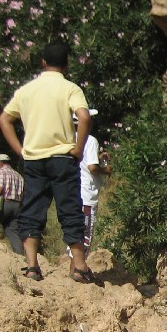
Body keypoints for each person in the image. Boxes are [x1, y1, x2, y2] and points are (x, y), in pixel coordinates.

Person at [0, 42, 94, 283]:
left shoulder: (26, 90)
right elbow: (83, 117)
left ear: (43, 62)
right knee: (70, 209)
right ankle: (79, 267)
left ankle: (32, 266)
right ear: (67, 64)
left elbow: (4, 119)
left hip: (34, 159)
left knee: (32, 209)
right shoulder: (70, 88)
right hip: (63, 158)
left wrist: (20, 151)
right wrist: (78, 148)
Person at [69, 108, 110, 264]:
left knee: (74, 233)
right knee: (85, 236)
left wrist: (97, 157)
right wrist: (106, 171)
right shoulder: (90, 140)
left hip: (71, 193)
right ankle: (78, 270)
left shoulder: (68, 139)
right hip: (86, 195)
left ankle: (74, 269)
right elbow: (92, 167)